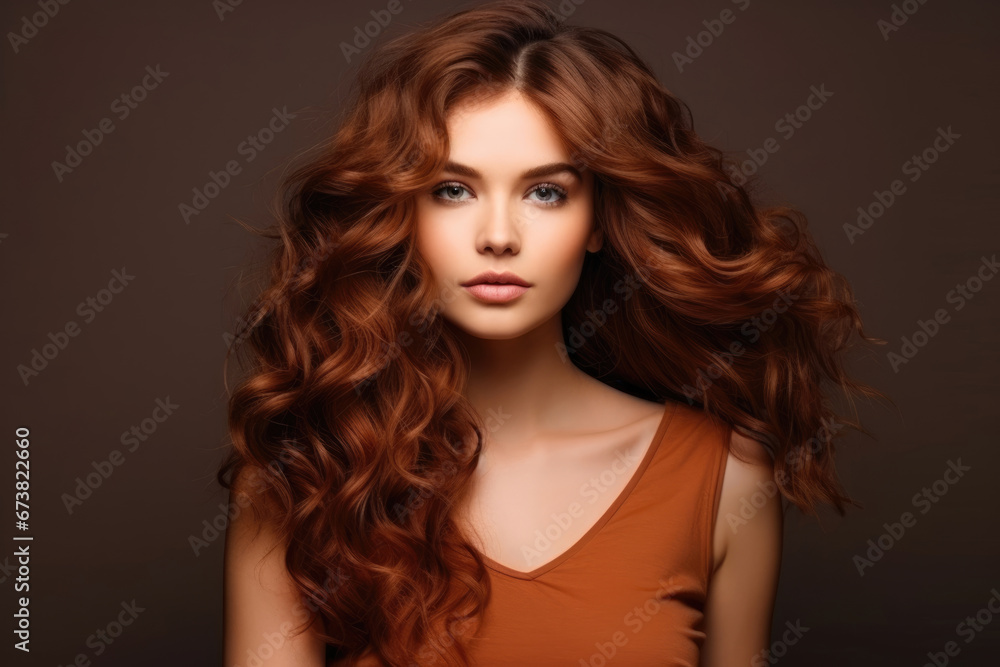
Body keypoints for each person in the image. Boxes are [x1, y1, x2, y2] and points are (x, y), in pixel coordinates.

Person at [218, 1, 886, 665]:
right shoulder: (309, 469)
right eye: (453, 190)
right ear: (403, 215)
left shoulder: (726, 474)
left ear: (597, 221)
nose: (499, 236)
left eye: (546, 192)